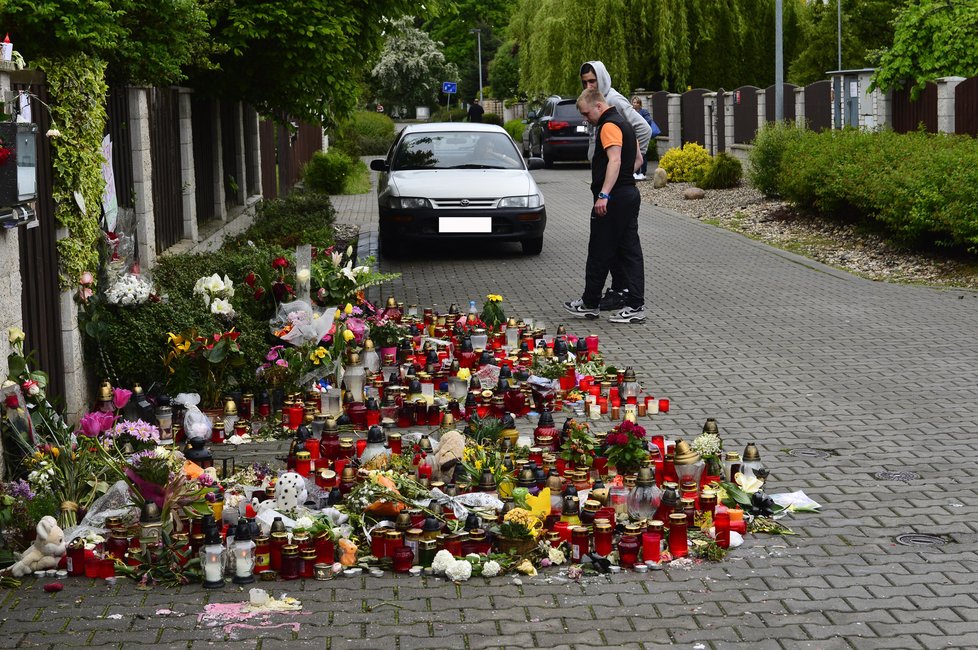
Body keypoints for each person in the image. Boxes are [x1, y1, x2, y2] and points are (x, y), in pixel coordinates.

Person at [563, 88, 646, 324]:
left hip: (614, 199)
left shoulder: (609, 125)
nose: (585, 119)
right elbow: (637, 159)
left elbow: (616, 159)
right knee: (629, 251)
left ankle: (590, 304)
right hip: (629, 194)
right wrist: (624, 181)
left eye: (587, 114)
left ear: (599, 106)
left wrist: (604, 194)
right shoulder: (625, 123)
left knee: (599, 250)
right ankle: (635, 306)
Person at [580, 61, 651, 312]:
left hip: (616, 190)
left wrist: (623, 171)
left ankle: (613, 297)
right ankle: (627, 298)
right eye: (585, 82)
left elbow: (641, 130)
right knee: (624, 245)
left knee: (608, 246)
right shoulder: (603, 113)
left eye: (593, 81)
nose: (589, 85)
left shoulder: (613, 107)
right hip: (617, 188)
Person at [630, 96, 659, 179]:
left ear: (640, 104)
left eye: (636, 102)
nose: (634, 104)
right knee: (635, 154)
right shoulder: (631, 112)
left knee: (643, 153)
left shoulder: (644, 111)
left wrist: (640, 123)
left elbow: (649, 120)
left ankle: (643, 173)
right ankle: (635, 172)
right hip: (634, 135)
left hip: (642, 135)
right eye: (633, 102)